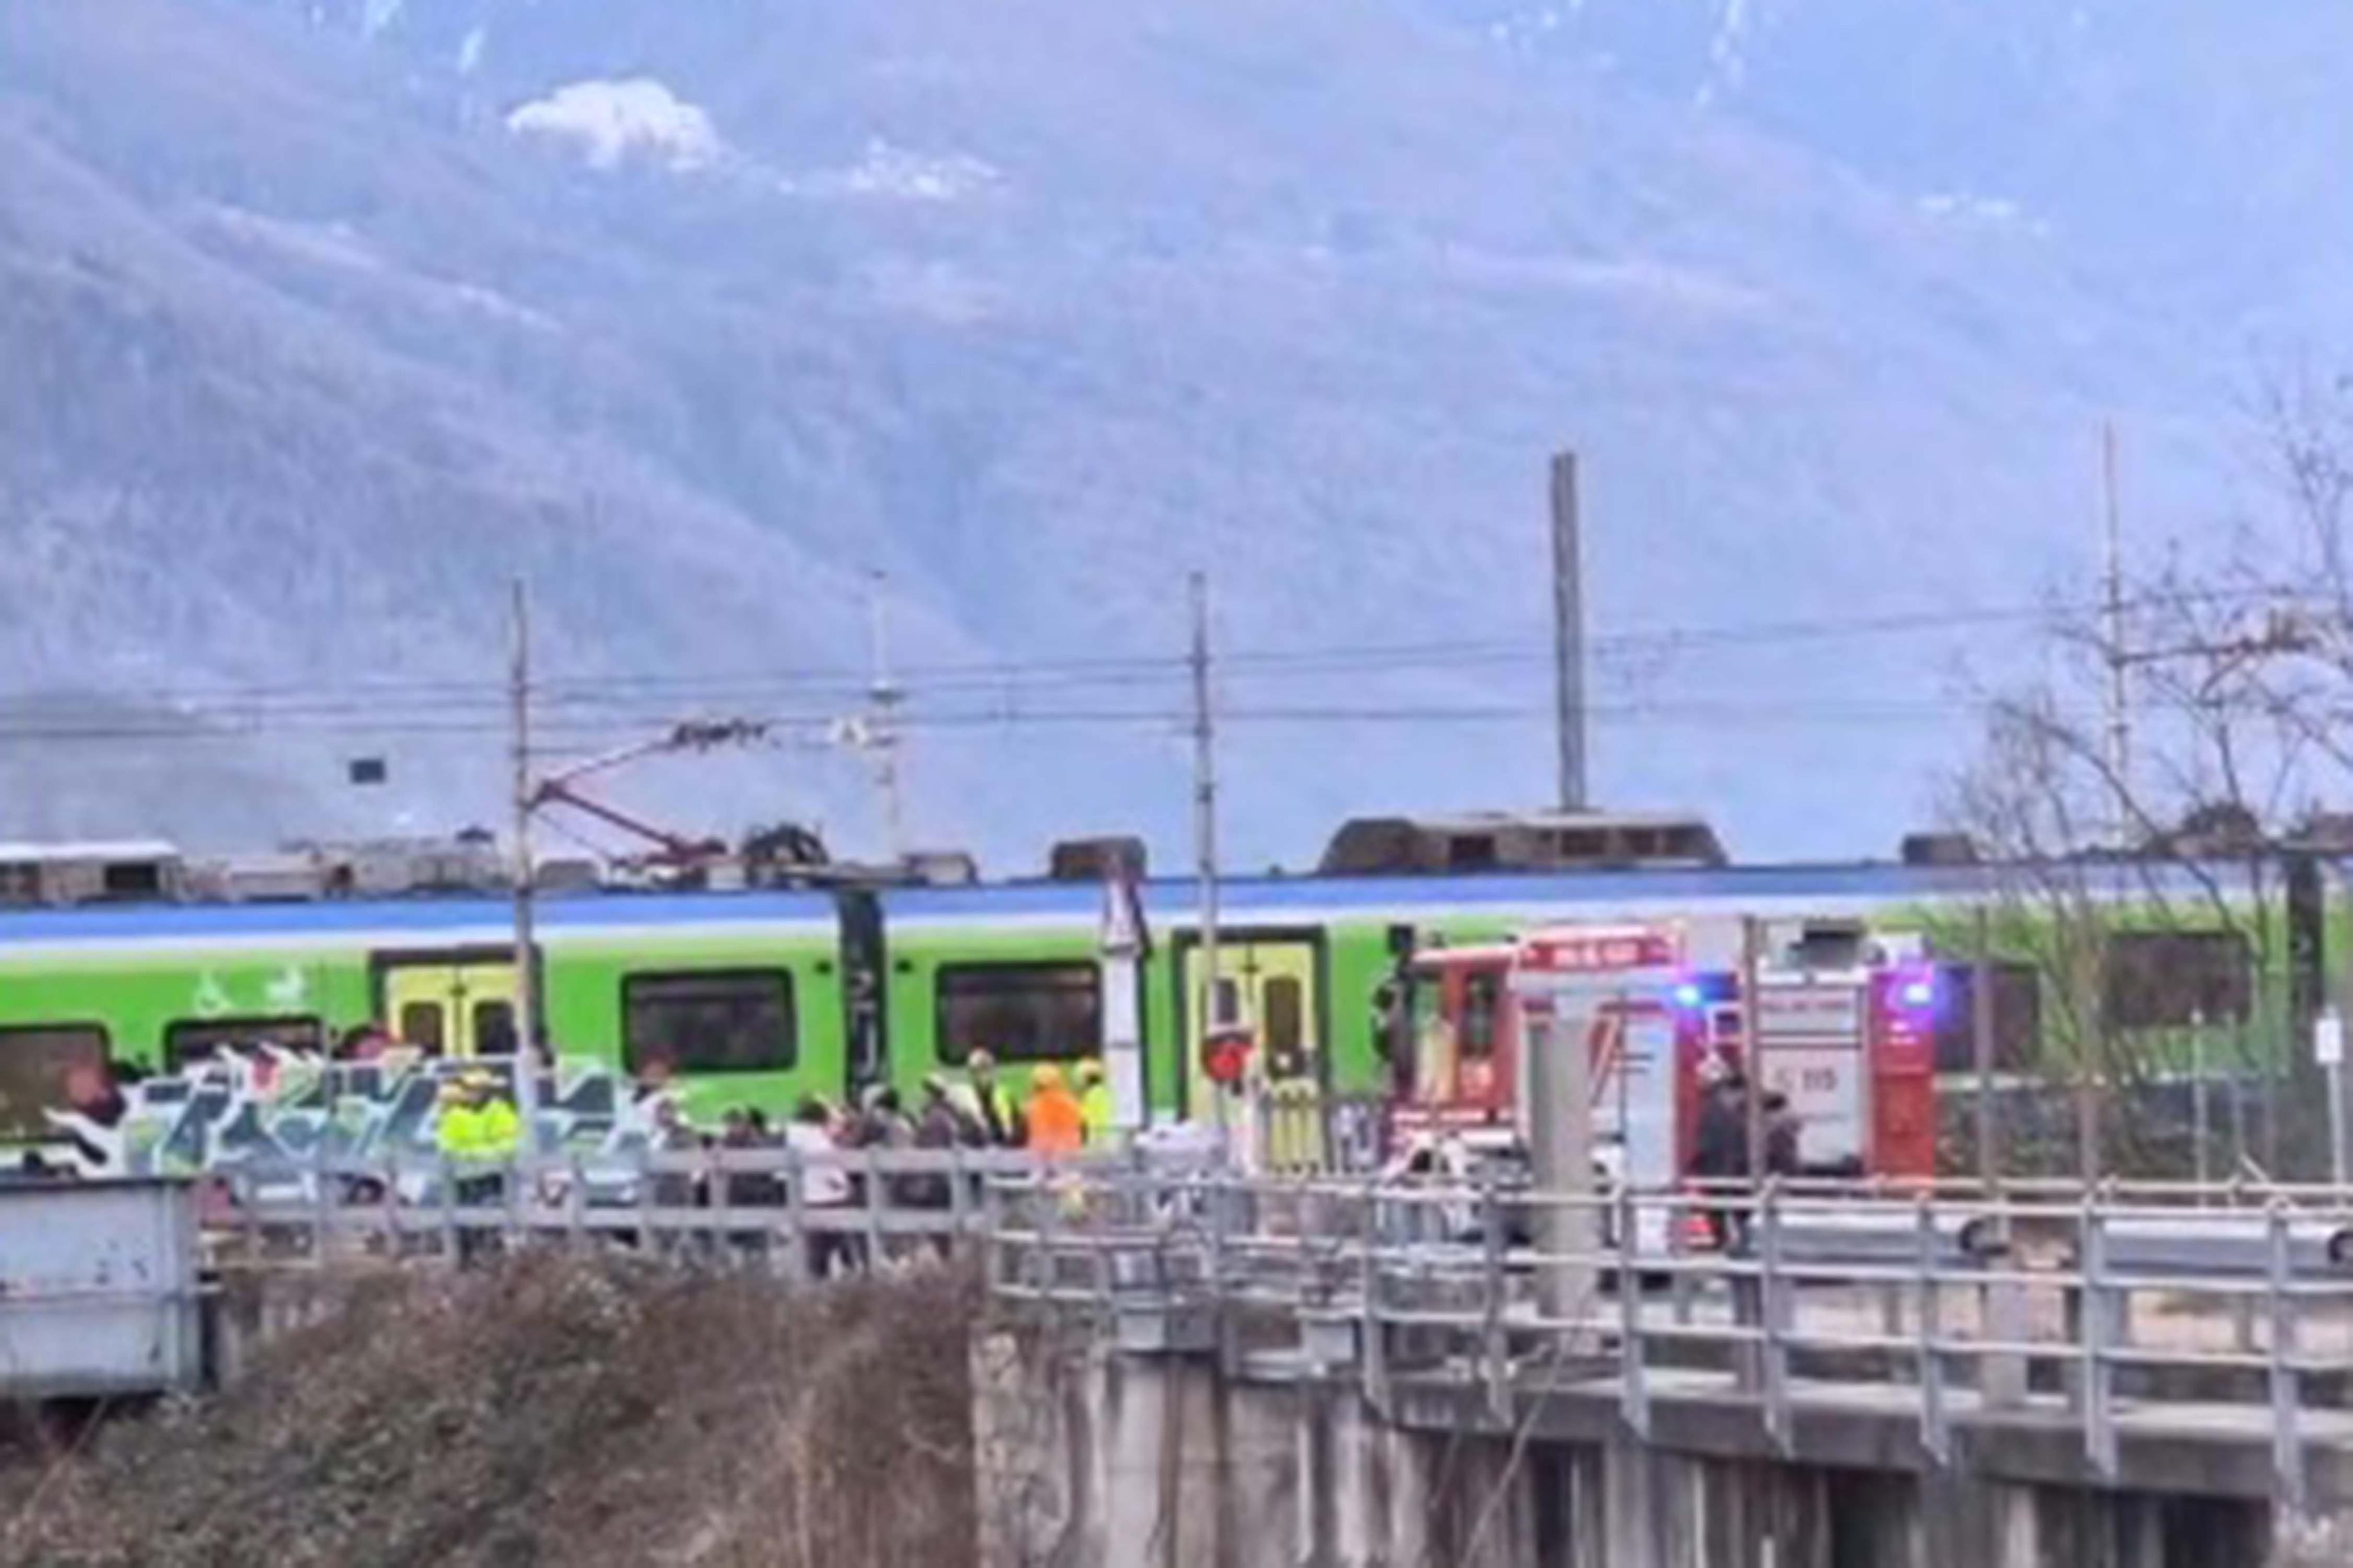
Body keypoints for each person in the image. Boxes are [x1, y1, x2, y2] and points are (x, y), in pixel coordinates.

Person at [786, 1095, 855, 1278]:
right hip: (831, 1199)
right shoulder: (817, 1140)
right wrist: (843, 1186)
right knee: (845, 1247)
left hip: (810, 1198)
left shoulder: (796, 1137)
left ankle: (816, 1286)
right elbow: (830, 1170)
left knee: (817, 1253)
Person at [1690, 1066, 1751, 1251]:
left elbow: (1708, 1143)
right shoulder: (1731, 1112)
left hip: (1719, 1172)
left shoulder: (1715, 1110)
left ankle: (1728, 1244)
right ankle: (1736, 1245)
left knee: (1722, 1213)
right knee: (1735, 1214)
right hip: (1730, 1173)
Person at [965, 1049, 1025, 1147]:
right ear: (972, 1075)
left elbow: (1017, 1125)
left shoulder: (1004, 1095)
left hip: (1004, 1148)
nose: (982, 1075)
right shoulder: (968, 1096)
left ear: (992, 1072)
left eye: (985, 1070)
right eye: (977, 1072)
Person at [1023, 1064, 1085, 1157]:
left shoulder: (1032, 1105)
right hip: (1070, 1157)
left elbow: (1023, 1134)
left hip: (1041, 1159)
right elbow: (1082, 1129)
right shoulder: (1071, 1102)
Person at [1762, 1091, 1803, 1179]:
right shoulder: (1773, 1134)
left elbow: (1798, 1125)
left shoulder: (1781, 1131)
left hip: (1786, 1174)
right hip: (1777, 1176)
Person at [1075, 1060, 1113, 1146]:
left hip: (1095, 1139)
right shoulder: (1103, 1091)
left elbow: (1083, 1117)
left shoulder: (1091, 1094)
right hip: (1105, 1136)